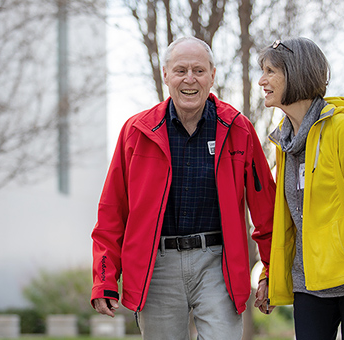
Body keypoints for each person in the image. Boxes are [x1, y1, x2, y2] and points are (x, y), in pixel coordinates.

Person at [91, 36, 276, 340]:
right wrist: (104, 279)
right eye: (180, 70)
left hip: (219, 265)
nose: (190, 79)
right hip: (157, 267)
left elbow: (265, 210)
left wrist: (271, 271)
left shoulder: (238, 129)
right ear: (166, 75)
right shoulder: (136, 133)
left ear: (212, 76)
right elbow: (112, 213)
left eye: (199, 71)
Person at [254, 37, 344, 339]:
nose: (261, 81)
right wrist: (270, 272)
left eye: (270, 71)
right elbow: (289, 220)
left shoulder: (342, 129)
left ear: (295, 73)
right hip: (309, 285)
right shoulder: (284, 141)